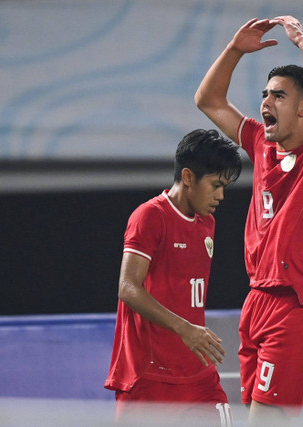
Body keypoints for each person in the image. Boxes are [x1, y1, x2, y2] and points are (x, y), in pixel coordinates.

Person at [195, 16, 303, 425]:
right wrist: (234, 50)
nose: (265, 103)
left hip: (297, 306)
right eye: (265, 94)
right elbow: (209, 101)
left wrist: (302, 44)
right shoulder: (260, 147)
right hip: (256, 302)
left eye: (278, 96)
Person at [104, 129, 242, 426]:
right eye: (216, 185)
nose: (221, 195)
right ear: (189, 177)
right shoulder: (150, 216)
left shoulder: (207, 223)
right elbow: (128, 287)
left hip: (199, 375)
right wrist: (185, 329)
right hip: (150, 377)